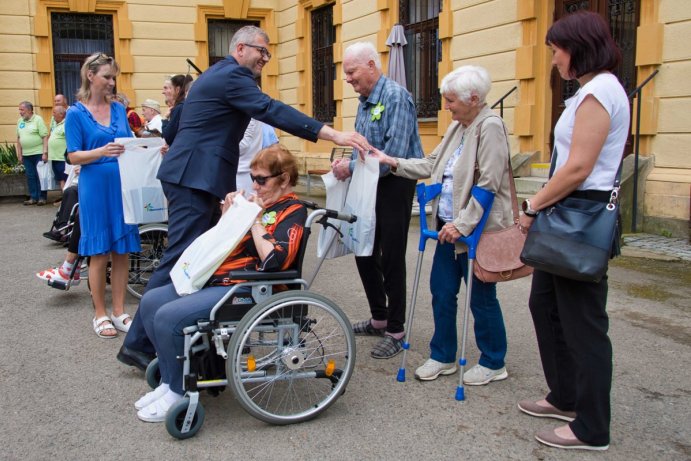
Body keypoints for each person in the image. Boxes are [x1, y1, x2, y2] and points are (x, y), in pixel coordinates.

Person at [117, 25, 370, 371]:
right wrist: (331, 133)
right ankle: (141, 344)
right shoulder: (235, 77)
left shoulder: (212, 76)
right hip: (195, 179)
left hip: (191, 174)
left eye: (268, 53)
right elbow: (272, 110)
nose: (265, 59)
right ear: (240, 49)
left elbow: (174, 127)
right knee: (181, 258)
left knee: (201, 256)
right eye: (260, 52)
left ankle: (184, 338)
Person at [516, 11, 629, 451]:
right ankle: (564, 395)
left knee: (583, 322)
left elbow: (580, 167)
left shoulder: (600, 91)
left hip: (578, 215)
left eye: (557, 50)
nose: (554, 60)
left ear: (577, 48)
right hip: (567, 214)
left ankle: (592, 427)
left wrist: (532, 205)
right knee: (545, 304)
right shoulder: (589, 91)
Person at [133, 145, 307, 422]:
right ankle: (168, 382)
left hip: (251, 289)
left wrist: (254, 220)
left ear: (284, 179)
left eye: (262, 179)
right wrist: (229, 217)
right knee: (152, 301)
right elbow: (219, 246)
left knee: (168, 317)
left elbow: (276, 261)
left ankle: (178, 392)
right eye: (253, 178)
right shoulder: (259, 205)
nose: (255, 185)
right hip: (221, 279)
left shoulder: (293, 211)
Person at [368, 65, 513, 382]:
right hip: (447, 227)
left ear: (473, 98)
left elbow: (489, 184)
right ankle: (443, 355)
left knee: (481, 297)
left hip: (475, 231)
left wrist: (463, 225)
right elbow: (432, 163)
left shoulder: (490, 126)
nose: (445, 107)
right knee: (442, 292)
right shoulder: (459, 126)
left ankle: (493, 361)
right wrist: (392, 162)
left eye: (450, 101)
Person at [331, 41, 423, 359]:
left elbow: (391, 155)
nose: (348, 79)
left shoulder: (396, 96)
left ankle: (395, 329)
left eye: (352, 72)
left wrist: (351, 167)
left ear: (371, 65)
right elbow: (363, 147)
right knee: (363, 247)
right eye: (346, 74)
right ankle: (378, 317)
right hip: (369, 181)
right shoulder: (365, 100)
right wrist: (347, 164)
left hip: (395, 182)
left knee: (392, 253)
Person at [65, 52, 140, 339]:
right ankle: (99, 313)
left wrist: (151, 148)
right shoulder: (75, 113)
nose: (111, 82)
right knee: (98, 252)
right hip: (95, 184)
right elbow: (73, 156)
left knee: (121, 250)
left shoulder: (119, 109)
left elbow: (129, 143)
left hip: (122, 182)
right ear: (90, 76)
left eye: (113, 77)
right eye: (107, 77)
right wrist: (101, 152)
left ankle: (120, 311)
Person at [16, 101, 49, 206]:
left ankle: (42, 198)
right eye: (19, 110)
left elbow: (44, 137)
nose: (20, 112)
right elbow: (19, 139)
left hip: (38, 153)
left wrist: (45, 152)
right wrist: (19, 154)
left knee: (41, 176)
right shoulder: (20, 121)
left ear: (29, 110)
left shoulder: (38, 119)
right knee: (30, 176)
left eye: (22, 110)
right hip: (26, 154)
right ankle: (33, 197)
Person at [161, 74, 193, 147]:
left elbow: (168, 137)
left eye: (170, 88)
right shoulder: (187, 105)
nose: (163, 92)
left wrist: (165, 119)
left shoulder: (179, 108)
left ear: (177, 89)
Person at [47, 105, 68, 190]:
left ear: (61, 114)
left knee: (66, 180)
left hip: (62, 158)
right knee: (61, 180)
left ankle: (69, 200)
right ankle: (65, 199)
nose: (53, 115)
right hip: (55, 158)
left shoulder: (66, 124)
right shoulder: (56, 125)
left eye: (54, 113)